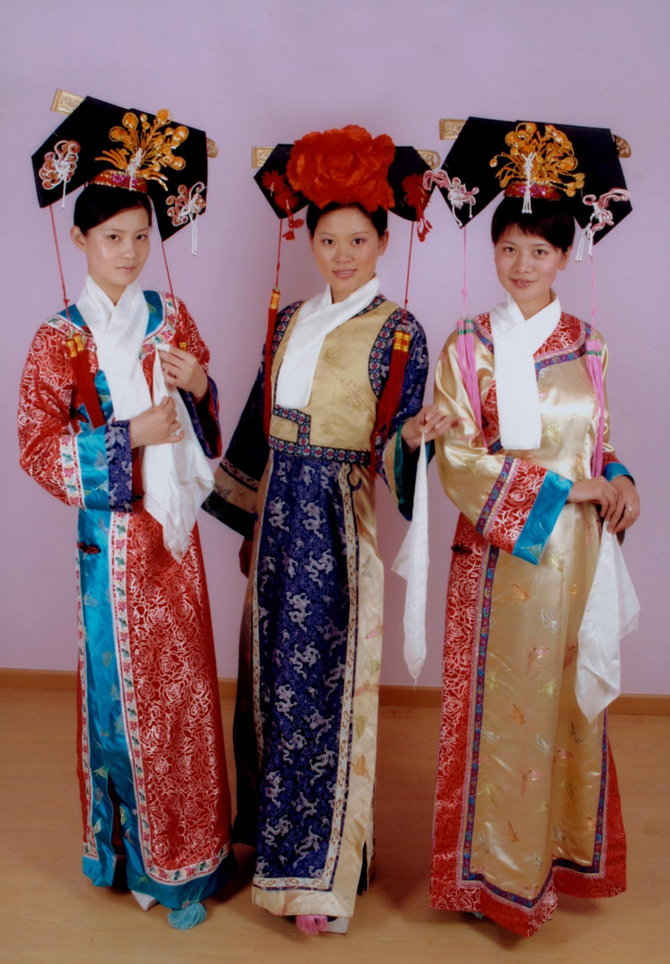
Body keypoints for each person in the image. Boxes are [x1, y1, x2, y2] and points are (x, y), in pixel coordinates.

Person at [204, 125, 452, 934]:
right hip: (277, 517)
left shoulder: (400, 330)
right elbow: (256, 422)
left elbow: (395, 437)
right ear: (308, 241)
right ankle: (265, 837)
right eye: (328, 239)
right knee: (265, 678)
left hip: (336, 524)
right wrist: (247, 519)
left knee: (321, 688)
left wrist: (413, 437)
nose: (342, 254)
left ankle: (318, 872)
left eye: (358, 240)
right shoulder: (288, 322)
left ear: (383, 241)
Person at [19, 103, 236, 928]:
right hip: (113, 543)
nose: (130, 251)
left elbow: (207, 416)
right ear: (81, 239)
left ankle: (198, 850)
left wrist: (198, 386)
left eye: (142, 236)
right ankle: (144, 861)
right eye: (113, 236)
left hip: (175, 539)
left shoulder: (170, 317)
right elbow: (37, 447)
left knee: (186, 691)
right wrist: (126, 437)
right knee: (128, 698)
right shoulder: (59, 338)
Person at [429, 121, 640, 936]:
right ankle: (495, 881)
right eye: (509, 248)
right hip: (499, 559)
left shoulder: (589, 345)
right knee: (502, 714)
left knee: (563, 714)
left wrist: (620, 480)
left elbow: (599, 443)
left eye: (540, 252)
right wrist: (563, 491)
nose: (522, 265)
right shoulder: (469, 345)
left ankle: (552, 860)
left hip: (576, 560)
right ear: (494, 251)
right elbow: (457, 456)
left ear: (565, 256)